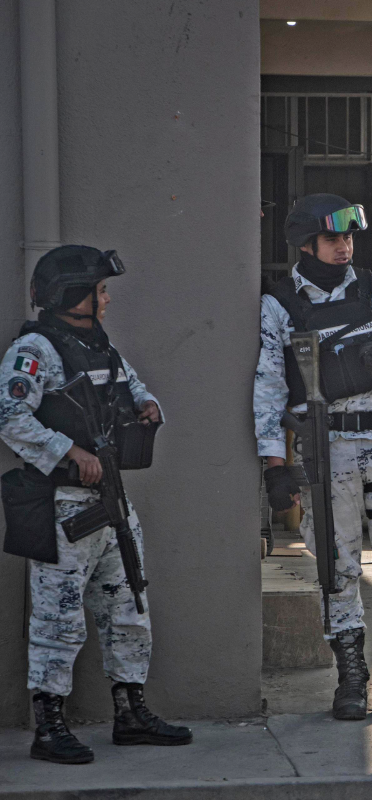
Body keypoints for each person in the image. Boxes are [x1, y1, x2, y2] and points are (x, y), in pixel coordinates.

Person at [253, 194, 372, 720]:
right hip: (326, 449)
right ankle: (351, 679)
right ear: (306, 244)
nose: (345, 247)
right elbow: (269, 387)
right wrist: (275, 465)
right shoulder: (281, 305)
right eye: (334, 238)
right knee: (335, 568)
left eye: (349, 237)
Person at [1, 246, 191, 764]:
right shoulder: (36, 350)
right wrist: (69, 451)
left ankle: (131, 715)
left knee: (129, 607)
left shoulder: (99, 345)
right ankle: (49, 727)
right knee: (58, 620)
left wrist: (149, 406)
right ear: (70, 295)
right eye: (99, 291)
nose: (106, 300)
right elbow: (10, 414)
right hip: (63, 505)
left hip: (110, 504)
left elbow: (133, 386)